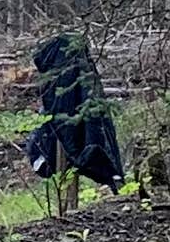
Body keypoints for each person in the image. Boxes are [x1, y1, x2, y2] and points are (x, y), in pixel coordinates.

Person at [24, 33, 127, 212]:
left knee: (70, 150)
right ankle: (66, 207)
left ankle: (68, 208)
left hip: (73, 139)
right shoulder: (76, 73)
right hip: (67, 139)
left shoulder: (72, 75)